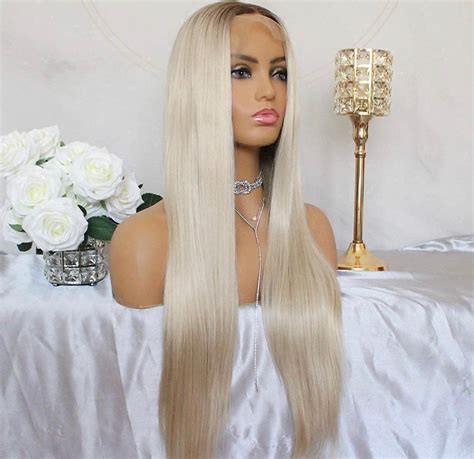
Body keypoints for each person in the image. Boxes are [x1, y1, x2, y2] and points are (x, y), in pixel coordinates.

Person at [109, 1, 344, 458]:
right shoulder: (145, 243)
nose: (268, 92)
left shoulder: (311, 229)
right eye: (241, 72)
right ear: (197, 85)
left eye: (280, 73)